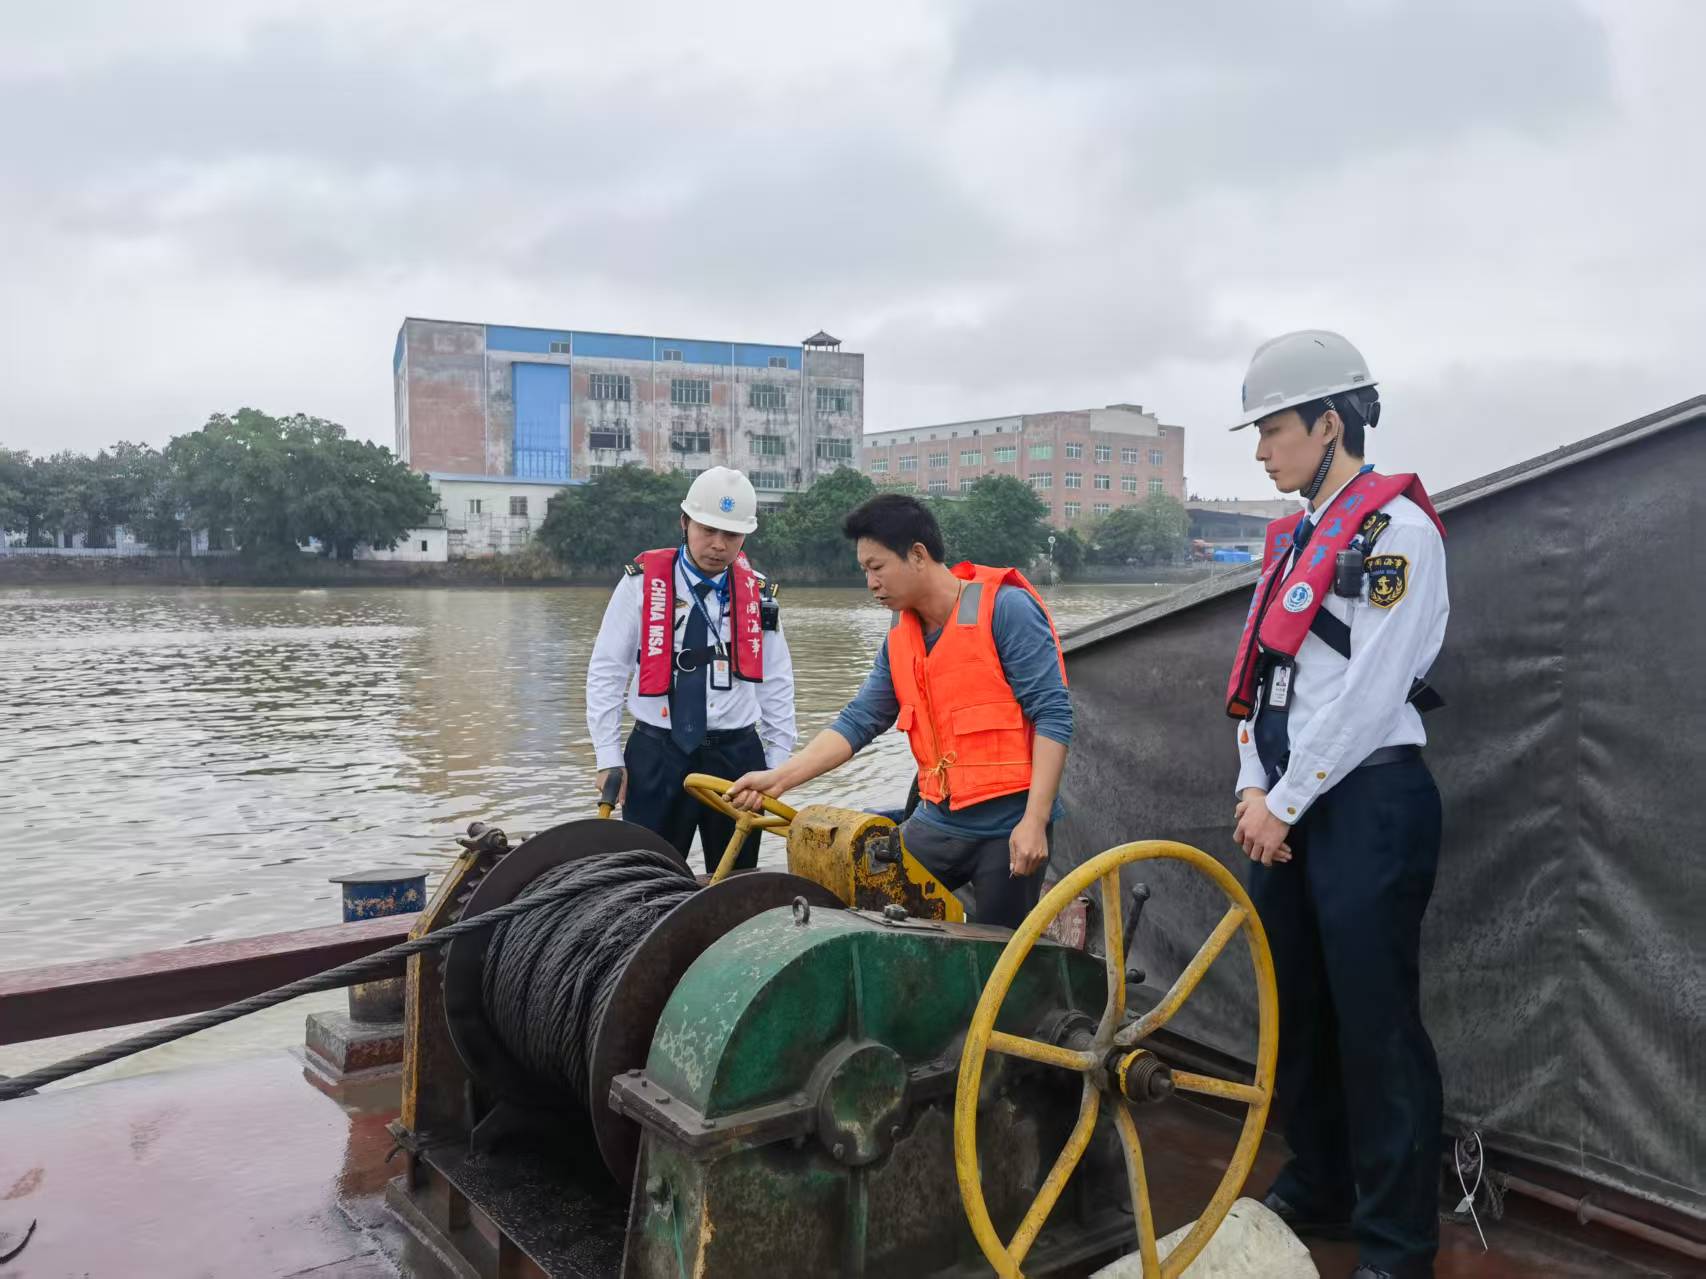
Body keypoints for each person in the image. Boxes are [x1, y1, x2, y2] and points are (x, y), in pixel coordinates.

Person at [1225, 331, 1449, 1279]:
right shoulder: (1291, 542)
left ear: (1330, 424)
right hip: (1285, 800)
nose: (1263, 449)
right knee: (1297, 1009)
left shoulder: (1400, 535)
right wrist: (1250, 783)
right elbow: (1261, 678)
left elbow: (1370, 691)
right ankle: (1319, 1178)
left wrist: (1283, 798)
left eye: (1275, 430)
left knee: (1375, 1020)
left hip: (1368, 803)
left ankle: (1396, 1239)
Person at [726, 493, 1071, 929]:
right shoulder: (900, 635)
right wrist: (779, 779)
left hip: (1007, 827)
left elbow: (1053, 715)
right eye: (864, 571)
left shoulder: (1006, 610)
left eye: (877, 567)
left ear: (918, 555)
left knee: (998, 955)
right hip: (936, 821)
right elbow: (859, 719)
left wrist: (1035, 822)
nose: (870, 583)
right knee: (868, 910)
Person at [585, 466, 796, 873]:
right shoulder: (641, 584)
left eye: (731, 535)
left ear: (744, 538)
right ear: (685, 523)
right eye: (707, 530)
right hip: (657, 753)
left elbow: (777, 682)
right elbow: (608, 671)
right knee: (643, 879)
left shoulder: (759, 594)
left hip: (737, 758)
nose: (717, 545)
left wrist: (775, 766)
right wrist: (608, 756)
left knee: (735, 880)